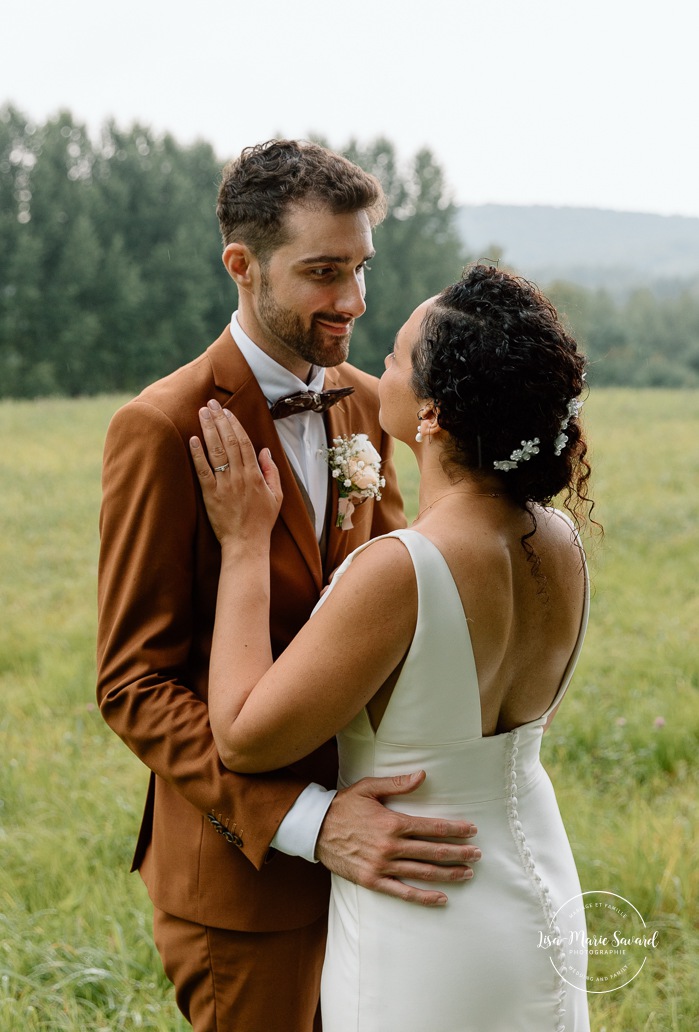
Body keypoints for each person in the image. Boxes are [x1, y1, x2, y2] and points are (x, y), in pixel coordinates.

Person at [96, 139, 481, 1032]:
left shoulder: (364, 403)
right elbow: (133, 686)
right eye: (320, 272)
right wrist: (308, 822)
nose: (351, 300)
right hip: (247, 884)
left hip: (386, 858)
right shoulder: (161, 428)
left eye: (359, 268)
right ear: (242, 265)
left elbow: (386, 596)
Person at [188, 264, 594, 1031]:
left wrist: (245, 544)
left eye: (396, 359)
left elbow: (243, 737)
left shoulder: (402, 567)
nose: (377, 367)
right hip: (536, 882)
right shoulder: (559, 541)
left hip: (426, 904)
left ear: (432, 413)